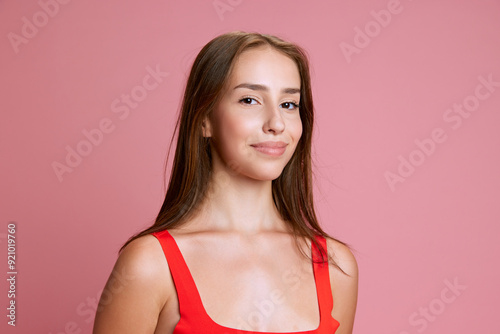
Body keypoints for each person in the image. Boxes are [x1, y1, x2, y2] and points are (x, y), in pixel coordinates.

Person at [93, 31, 358, 334]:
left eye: (289, 104)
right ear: (205, 118)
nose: (276, 123)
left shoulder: (335, 266)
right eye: (250, 100)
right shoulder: (149, 265)